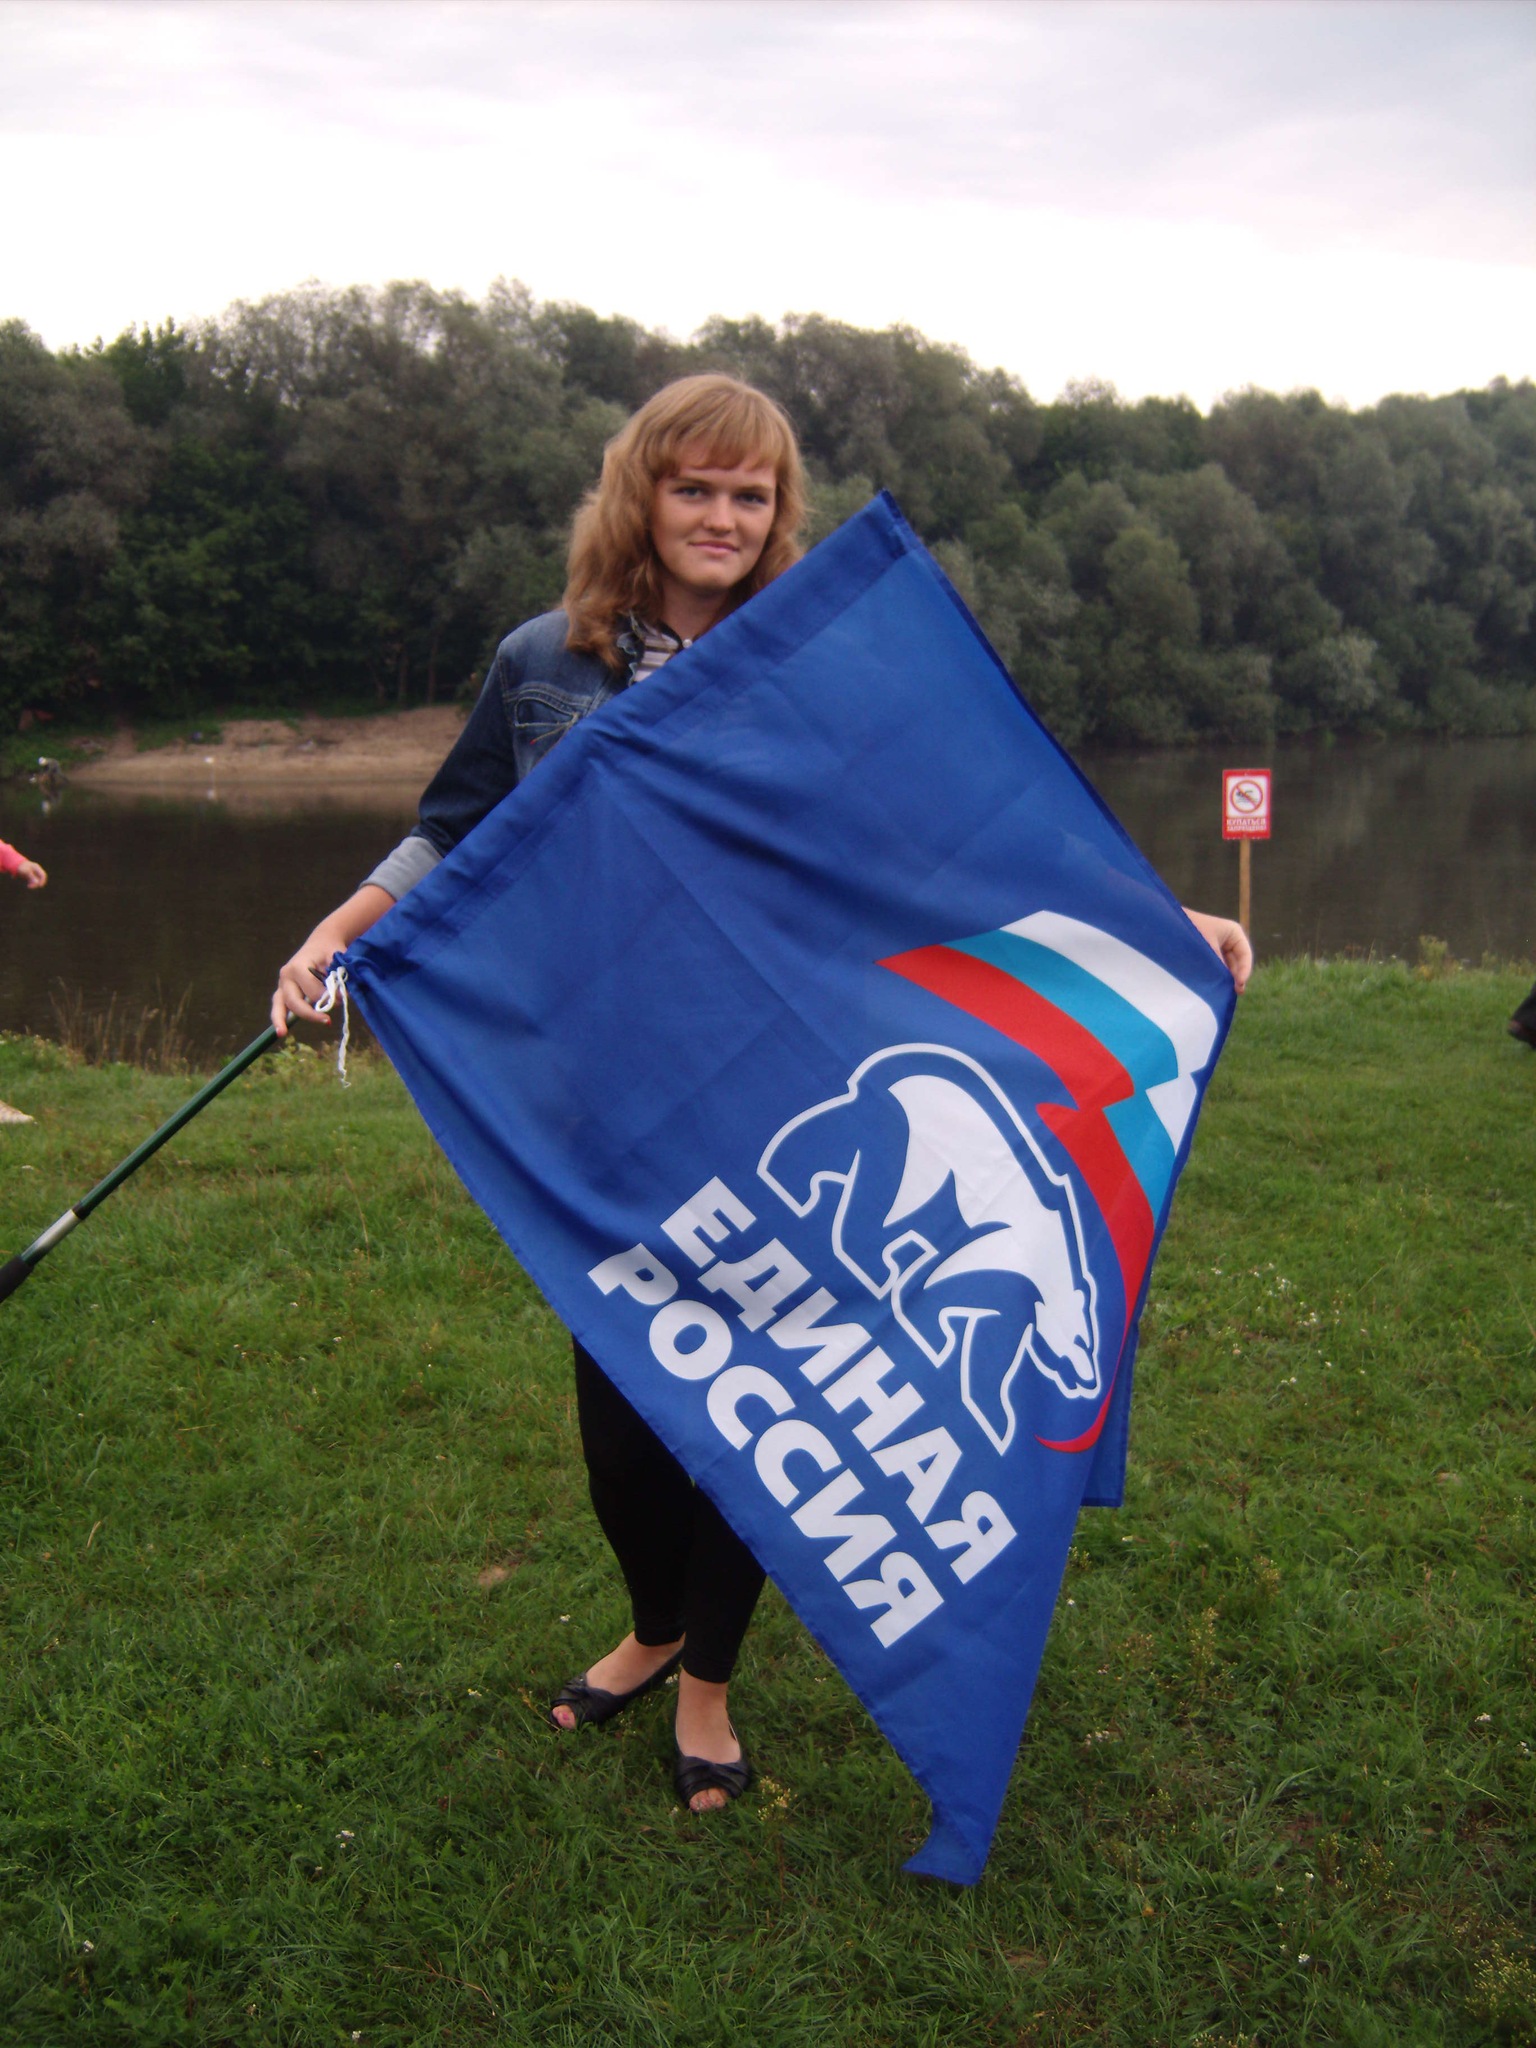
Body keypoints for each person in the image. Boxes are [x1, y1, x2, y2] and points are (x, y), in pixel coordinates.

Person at [271, 373, 1253, 1815]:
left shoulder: (814, 666)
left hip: (770, 1077)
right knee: (626, 1411)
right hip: (598, 1085)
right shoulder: (545, 660)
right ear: (642, 494)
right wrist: (334, 933)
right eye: (696, 488)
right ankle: (654, 1625)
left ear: (779, 511)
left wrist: (1158, 919)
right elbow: (454, 829)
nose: (723, 517)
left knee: (748, 1393)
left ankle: (710, 1686)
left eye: (752, 494)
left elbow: (958, 831)